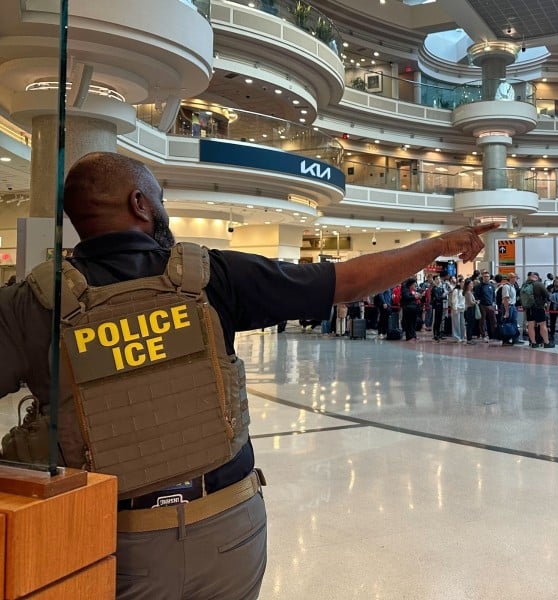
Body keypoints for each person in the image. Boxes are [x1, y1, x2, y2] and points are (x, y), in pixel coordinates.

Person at [0, 152, 497, 600]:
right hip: (225, 529)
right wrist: (438, 244)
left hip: (107, 537)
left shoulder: (31, 304)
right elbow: (346, 282)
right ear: (140, 203)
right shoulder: (210, 276)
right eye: (159, 198)